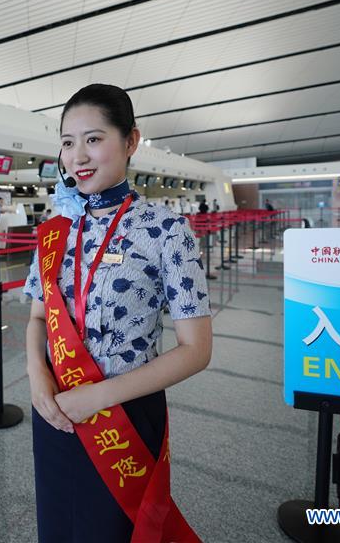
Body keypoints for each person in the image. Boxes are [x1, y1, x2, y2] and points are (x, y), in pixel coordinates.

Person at [24, 83, 212, 542]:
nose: (78, 156)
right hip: (54, 408)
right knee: (58, 526)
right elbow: (35, 318)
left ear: (131, 141)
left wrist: (97, 397)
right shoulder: (56, 230)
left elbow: (196, 350)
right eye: (68, 142)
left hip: (125, 413)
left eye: (93, 139)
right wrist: (36, 376)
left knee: (115, 530)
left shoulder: (167, 230)